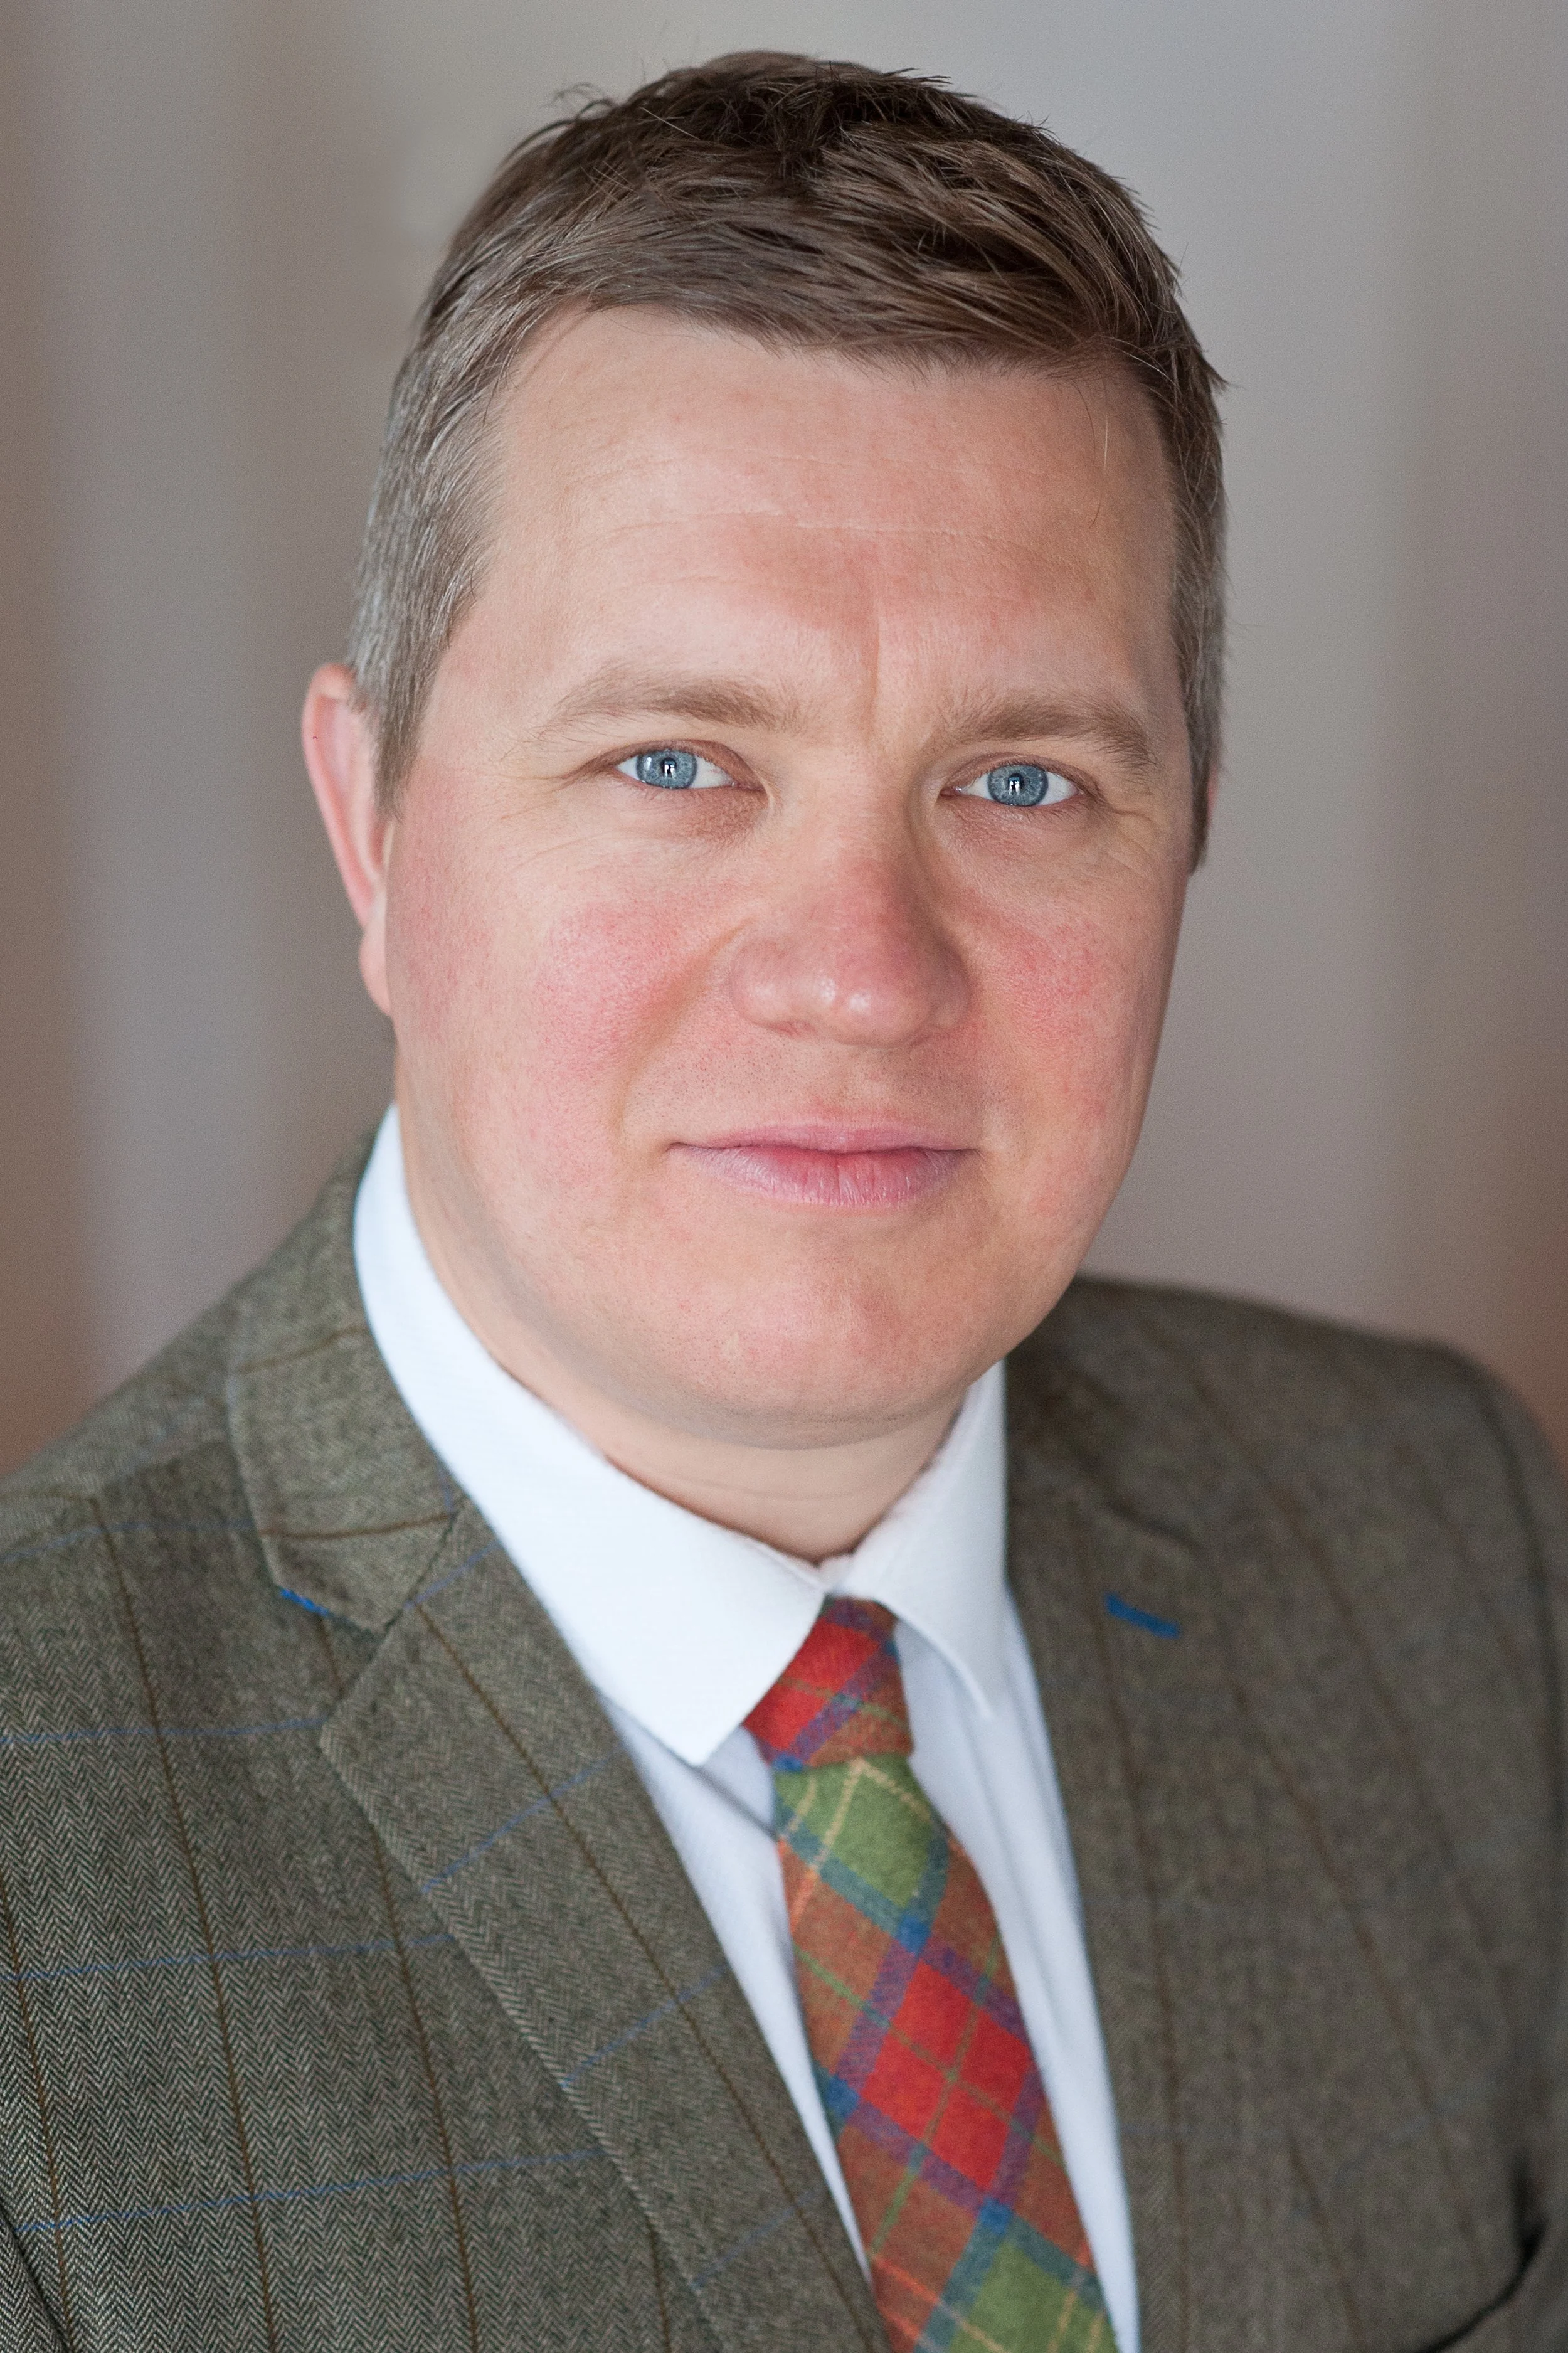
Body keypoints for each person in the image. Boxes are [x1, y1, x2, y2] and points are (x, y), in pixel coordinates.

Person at [0, 49, 1563, 2353]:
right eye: (673, 762)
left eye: (1020, 778)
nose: (858, 970)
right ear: (376, 828)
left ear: (1188, 833)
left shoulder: (1446, 1544)